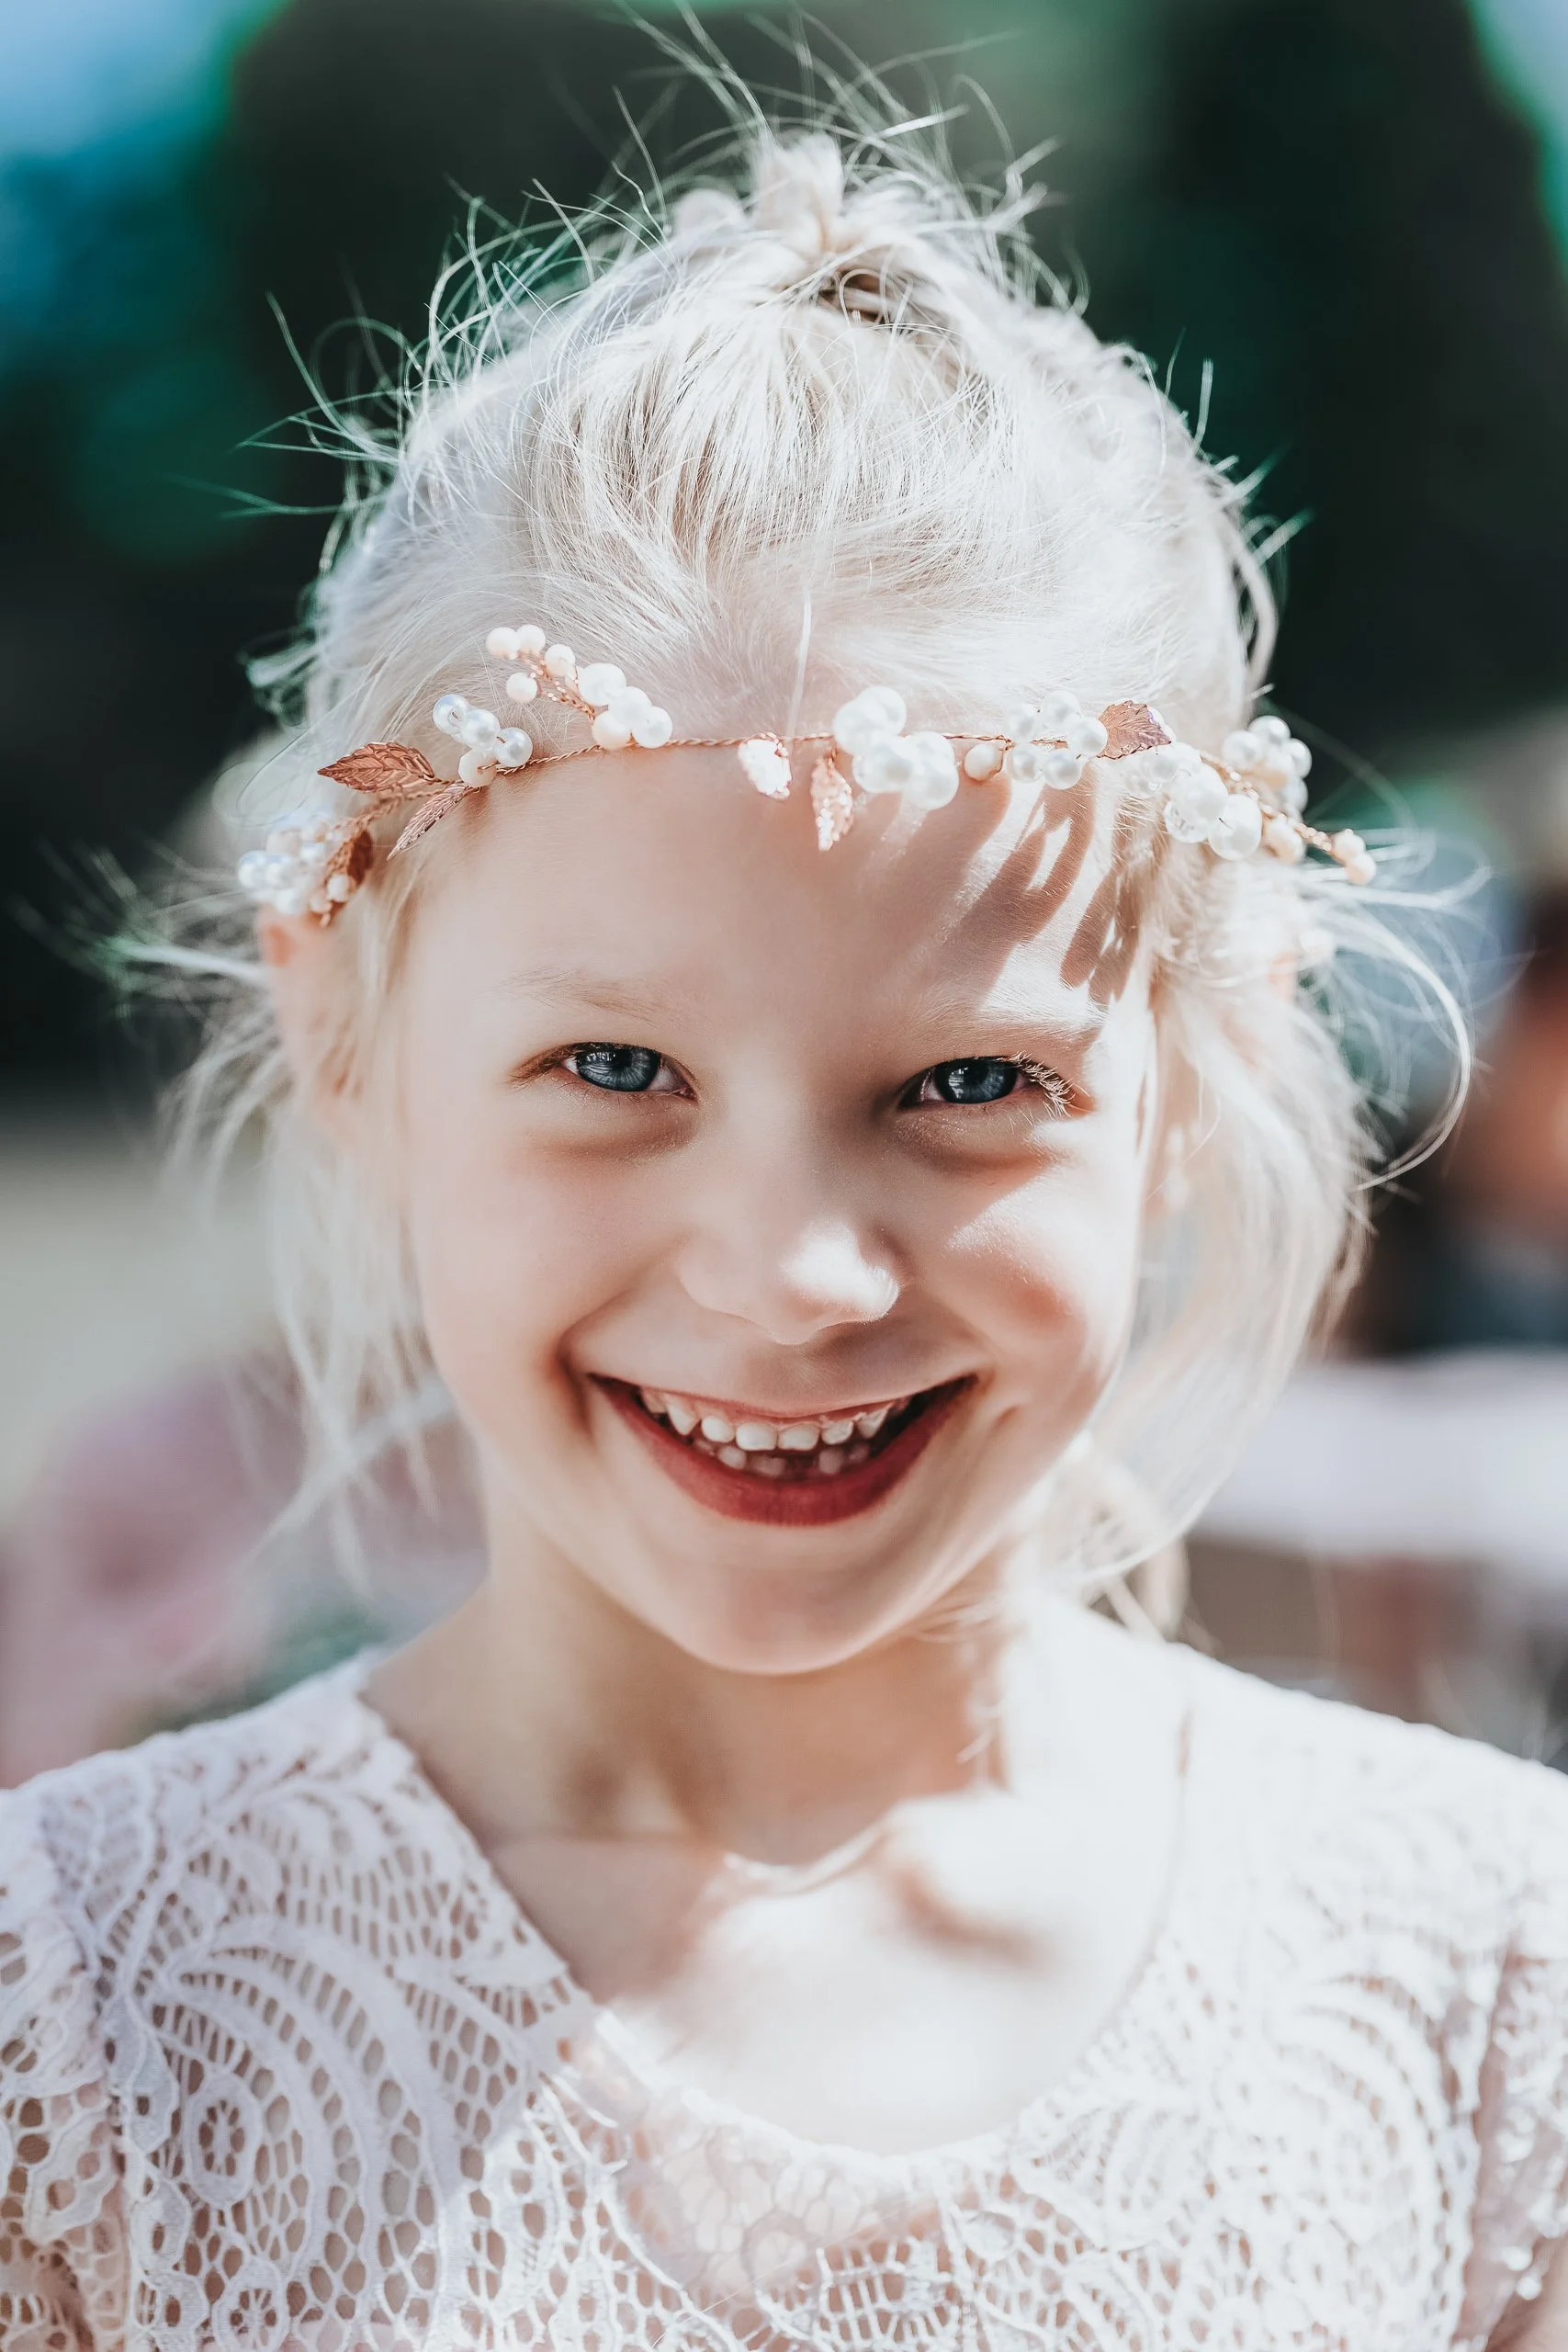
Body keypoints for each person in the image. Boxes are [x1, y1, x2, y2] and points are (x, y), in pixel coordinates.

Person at [2, 106, 1564, 2352]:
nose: (794, 1273)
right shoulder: (73, 2037)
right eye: (617, 1073)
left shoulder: (1489, 1994)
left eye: (965, 1086)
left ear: (1195, 1081)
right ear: (349, 1050)